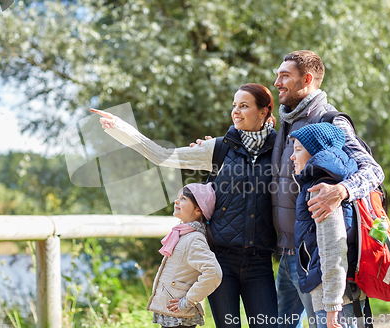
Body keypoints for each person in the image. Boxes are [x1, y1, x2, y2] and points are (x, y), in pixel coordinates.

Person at [91, 83, 279, 327]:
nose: (236, 111)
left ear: (263, 112)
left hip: (259, 261)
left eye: (244, 106)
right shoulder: (219, 147)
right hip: (220, 258)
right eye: (234, 105)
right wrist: (121, 128)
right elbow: (161, 156)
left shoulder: (280, 149)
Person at [271, 50, 384, 328]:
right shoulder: (285, 122)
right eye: (277, 75)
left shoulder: (332, 121)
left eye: (284, 76)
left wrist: (341, 190)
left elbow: (373, 171)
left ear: (307, 79)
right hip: (287, 256)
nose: (277, 83)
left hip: (319, 257)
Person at [289, 123, 366, 328]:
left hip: (334, 301)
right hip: (341, 296)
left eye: (298, 150)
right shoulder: (332, 182)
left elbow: (333, 248)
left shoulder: (322, 190)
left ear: (315, 152)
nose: (292, 157)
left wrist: (332, 306)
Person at [147, 182, 222, 328]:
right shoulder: (182, 233)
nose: (176, 201)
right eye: (178, 197)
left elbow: (214, 272)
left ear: (198, 210)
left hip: (180, 315)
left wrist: (187, 301)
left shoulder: (195, 238)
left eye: (183, 199)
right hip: (172, 313)